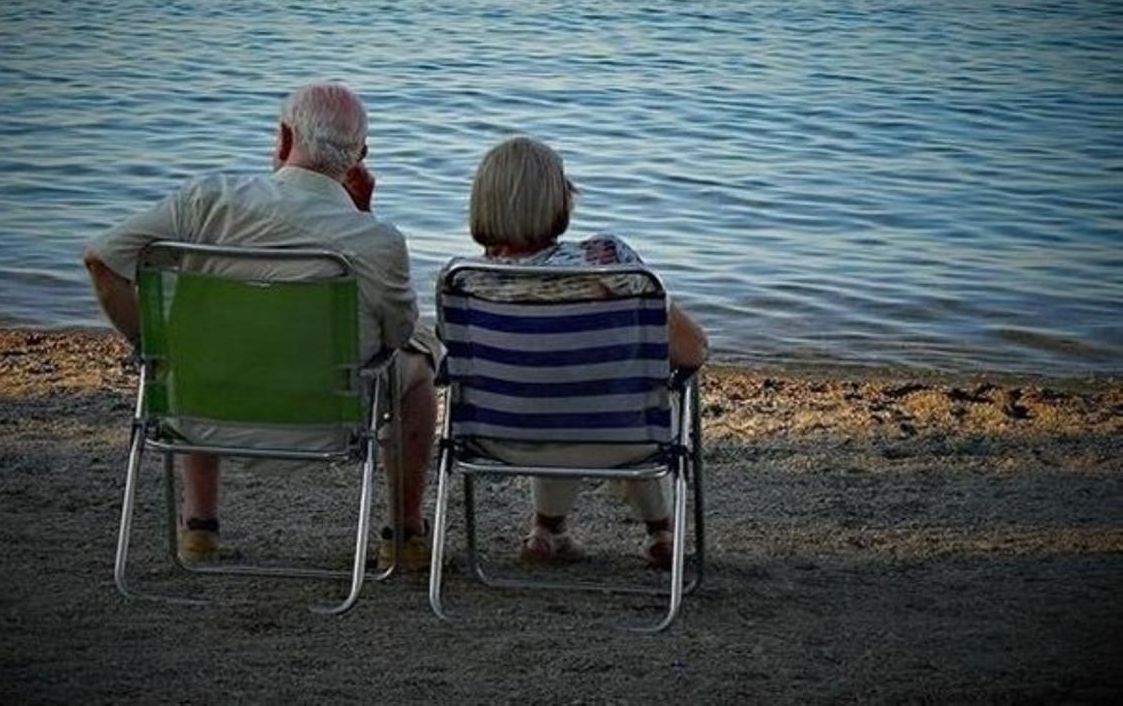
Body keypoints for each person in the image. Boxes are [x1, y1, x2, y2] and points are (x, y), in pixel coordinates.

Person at [84, 82, 438, 572]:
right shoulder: (375, 239)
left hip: (202, 411)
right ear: (361, 157)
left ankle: (199, 530)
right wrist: (363, 217)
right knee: (420, 360)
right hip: (325, 425)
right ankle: (404, 535)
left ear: (284, 136)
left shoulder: (206, 200)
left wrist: (156, 350)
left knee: (199, 342)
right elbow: (396, 335)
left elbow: (102, 261)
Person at [454, 136, 709, 569]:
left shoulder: (465, 281)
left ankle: (545, 532)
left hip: (500, 439)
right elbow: (693, 351)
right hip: (622, 439)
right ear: (557, 199)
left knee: (545, 387)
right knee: (621, 388)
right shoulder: (609, 260)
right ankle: (662, 532)